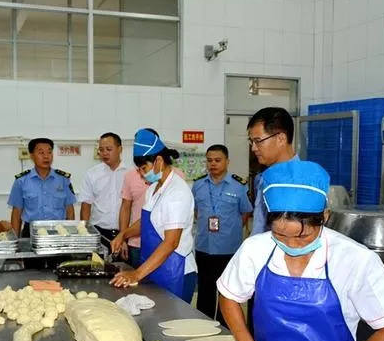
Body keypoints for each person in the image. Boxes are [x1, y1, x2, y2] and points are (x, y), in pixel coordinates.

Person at [217, 160, 384, 341]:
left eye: (303, 237)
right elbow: (229, 295)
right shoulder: (255, 248)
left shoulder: (355, 259)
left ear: (325, 216)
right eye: (280, 235)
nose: (292, 245)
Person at [110, 128, 197, 303]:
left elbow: (171, 242)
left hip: (176, 271)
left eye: (144, 168)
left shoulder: (177, 193)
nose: (142, 174)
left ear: (158, 161)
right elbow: (146, 221)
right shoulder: (153, 189)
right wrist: (124, 234)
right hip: (155, 266)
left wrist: (137, 273)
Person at [192, 144, 252, 323]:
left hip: (229, 249)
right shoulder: (198, 185)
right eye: (209, 160)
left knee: (227, 293)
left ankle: (225, 328)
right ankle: (204, 325)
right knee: (205, 292)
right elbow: (196, 211)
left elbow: (245, 213)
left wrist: (229, 229)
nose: (213, 164)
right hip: (204, 247)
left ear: (227, 161)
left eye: (217, 160)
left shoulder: (239, 186)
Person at [8, 137, 76, 238]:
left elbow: (70, 209)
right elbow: (16, 213)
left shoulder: (63, 179)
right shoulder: (21, 181)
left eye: (49, 152)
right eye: (41, 152)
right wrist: (15, 241)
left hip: (58, 232)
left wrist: (70, 237)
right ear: (31, 155)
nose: (46, 156)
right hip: (31, 232)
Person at [247, 107, 297, 235]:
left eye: (258, 141)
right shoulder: (263, 178)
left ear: (280, 139)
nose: (253, 148)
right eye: (251, 141)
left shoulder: (300, 183)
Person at [79, 132, 127, 253]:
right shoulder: (92, 174)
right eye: (101, 149)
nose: (104, 153)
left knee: (123, 269)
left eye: (108, 149)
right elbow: (86, 205)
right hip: (99, 233)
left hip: (126, 233)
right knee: (98, 269)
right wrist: (86, 234)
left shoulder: (131, 173)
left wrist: (125, 236)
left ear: (120, 149)